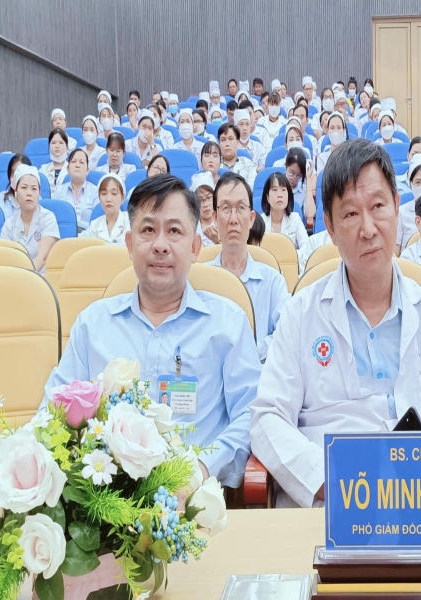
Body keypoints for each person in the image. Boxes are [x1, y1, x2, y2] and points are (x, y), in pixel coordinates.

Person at [250, 138, 421, 508]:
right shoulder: (300, 314)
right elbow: (267, 416)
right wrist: (329, 480)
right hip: (330, 508)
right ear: (330, 227)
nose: (368, 228)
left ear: (397, 208)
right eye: (351, 214)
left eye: (378, 207)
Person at [42, 173, 261, 488]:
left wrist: (201, 469)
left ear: (195, 247)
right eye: (148, 230)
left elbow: (251, 414)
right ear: (130, 245)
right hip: (105, 503)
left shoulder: (228, 324)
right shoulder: (93, 325)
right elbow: (52, 411)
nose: (160, 245)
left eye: (174, 231)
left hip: (198, 499)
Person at [207, 172, 289, 362]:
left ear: (251, 218)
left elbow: (288, 331)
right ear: (215, 217)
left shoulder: (273, 281)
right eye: (225, 208)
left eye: (241, 208)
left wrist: (246, 355)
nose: (233, 219)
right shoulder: (201, 279)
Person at [0, 165, 59, 273]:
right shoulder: (9, 224)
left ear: (39, 194)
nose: (29, 193)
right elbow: (4, 258)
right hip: (15, 276)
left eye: (34, 189)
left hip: (43, 278)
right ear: (16, 193)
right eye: (24, 188)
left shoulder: (48, 218)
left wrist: (26, 278)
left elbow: (42, 258)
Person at [53, 148, 98, 232]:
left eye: (81, 162)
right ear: (68, 169)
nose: (77, 165)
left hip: (88, 235)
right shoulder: (59, 191)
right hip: (64, 235)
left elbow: (98, 221)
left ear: (87, 170)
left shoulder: (96, 192)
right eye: (74, 162)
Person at [260, 172, 308, 249]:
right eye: (275, 190)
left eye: (283, 190)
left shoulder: (295, 219)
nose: (280, 195)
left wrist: (293, 255)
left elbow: (306, 246)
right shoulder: (260, 221)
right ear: (267, 197)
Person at [80, 173, 129, 245]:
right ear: (99, 198)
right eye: (104, 193)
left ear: (122, 198)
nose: (108, 199)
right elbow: (78, 242)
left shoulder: (131, 222)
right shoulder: (94, 225)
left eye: (114, 193)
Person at [284, 147, 316, 226]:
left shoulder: (304, 191)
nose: (294, 178)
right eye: (291, 173)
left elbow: (310, 214)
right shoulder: (276, 186)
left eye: (298, 175)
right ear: (286, 167)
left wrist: (308, 179)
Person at [218, 122, 257, 188]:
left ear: (238, 142)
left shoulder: (248, 164)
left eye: (230, 139)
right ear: (219, 143)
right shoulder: (214, 164)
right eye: (223, 140)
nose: (227, 144)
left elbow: (251, 188)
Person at [0, 153, 30, 220]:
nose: (16, 176)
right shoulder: (1, 198)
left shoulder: (36, 198)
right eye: (13, 173)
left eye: (19, 173)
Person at [189, 171, 217, 246]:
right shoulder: (191, 225)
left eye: (208, 198)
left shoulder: (223, 222)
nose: (205, 204)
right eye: (200, 200)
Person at [39, 128, 69, 195]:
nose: (57, 146)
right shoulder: (43, 169)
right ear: (49, 146)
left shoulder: (72, 169)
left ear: (67, 146)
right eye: (53, 143)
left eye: (61, 143)